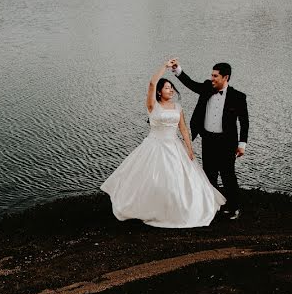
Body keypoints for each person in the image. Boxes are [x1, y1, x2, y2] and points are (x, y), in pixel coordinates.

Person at [100, 62, 226, 228]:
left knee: (179, 179)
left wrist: (189, 149)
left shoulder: (178, 107)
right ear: (159, 92)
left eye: (172, 88)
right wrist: (165, 67)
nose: (171, 90)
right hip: (154, 145)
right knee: (152, 178)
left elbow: (183, 129)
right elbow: (152, 83)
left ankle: (178, 209)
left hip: (174, 146)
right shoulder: (153, 106)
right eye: (167, 88)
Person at [168, 58, 248, 219]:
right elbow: (190, 84)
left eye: (215, 76)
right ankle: (210, 205)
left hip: (227, 142)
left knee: (228, 175)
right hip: (208, 139)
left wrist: (242, 144)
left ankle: (234, 207)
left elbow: (244, 122)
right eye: (211, 75)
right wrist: (177, 70)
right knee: (209, 174)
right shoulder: (206, 87)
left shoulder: (238, 97)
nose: (212, 78)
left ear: (225, 77)